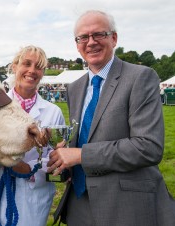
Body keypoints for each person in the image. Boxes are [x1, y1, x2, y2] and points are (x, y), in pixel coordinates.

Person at [47, 10, 175, 226]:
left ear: (113, 38)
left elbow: (148, 147)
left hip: (125, 206)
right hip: (79, 206)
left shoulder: (140, 77)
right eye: (83, 37)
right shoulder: (75, 88)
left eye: (99, 34)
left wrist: (80, 155)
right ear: (76, 44)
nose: (91, 42)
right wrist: (66, 158)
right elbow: (90, 135)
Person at [0, 45, 65, 226]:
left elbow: (56, 156)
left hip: (32, 196)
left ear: (43, 72)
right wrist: (7, 160)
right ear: (14, 66)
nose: (31, 71)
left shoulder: (53, 112)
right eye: (26, 64)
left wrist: (30, 169)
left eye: (38, 66)